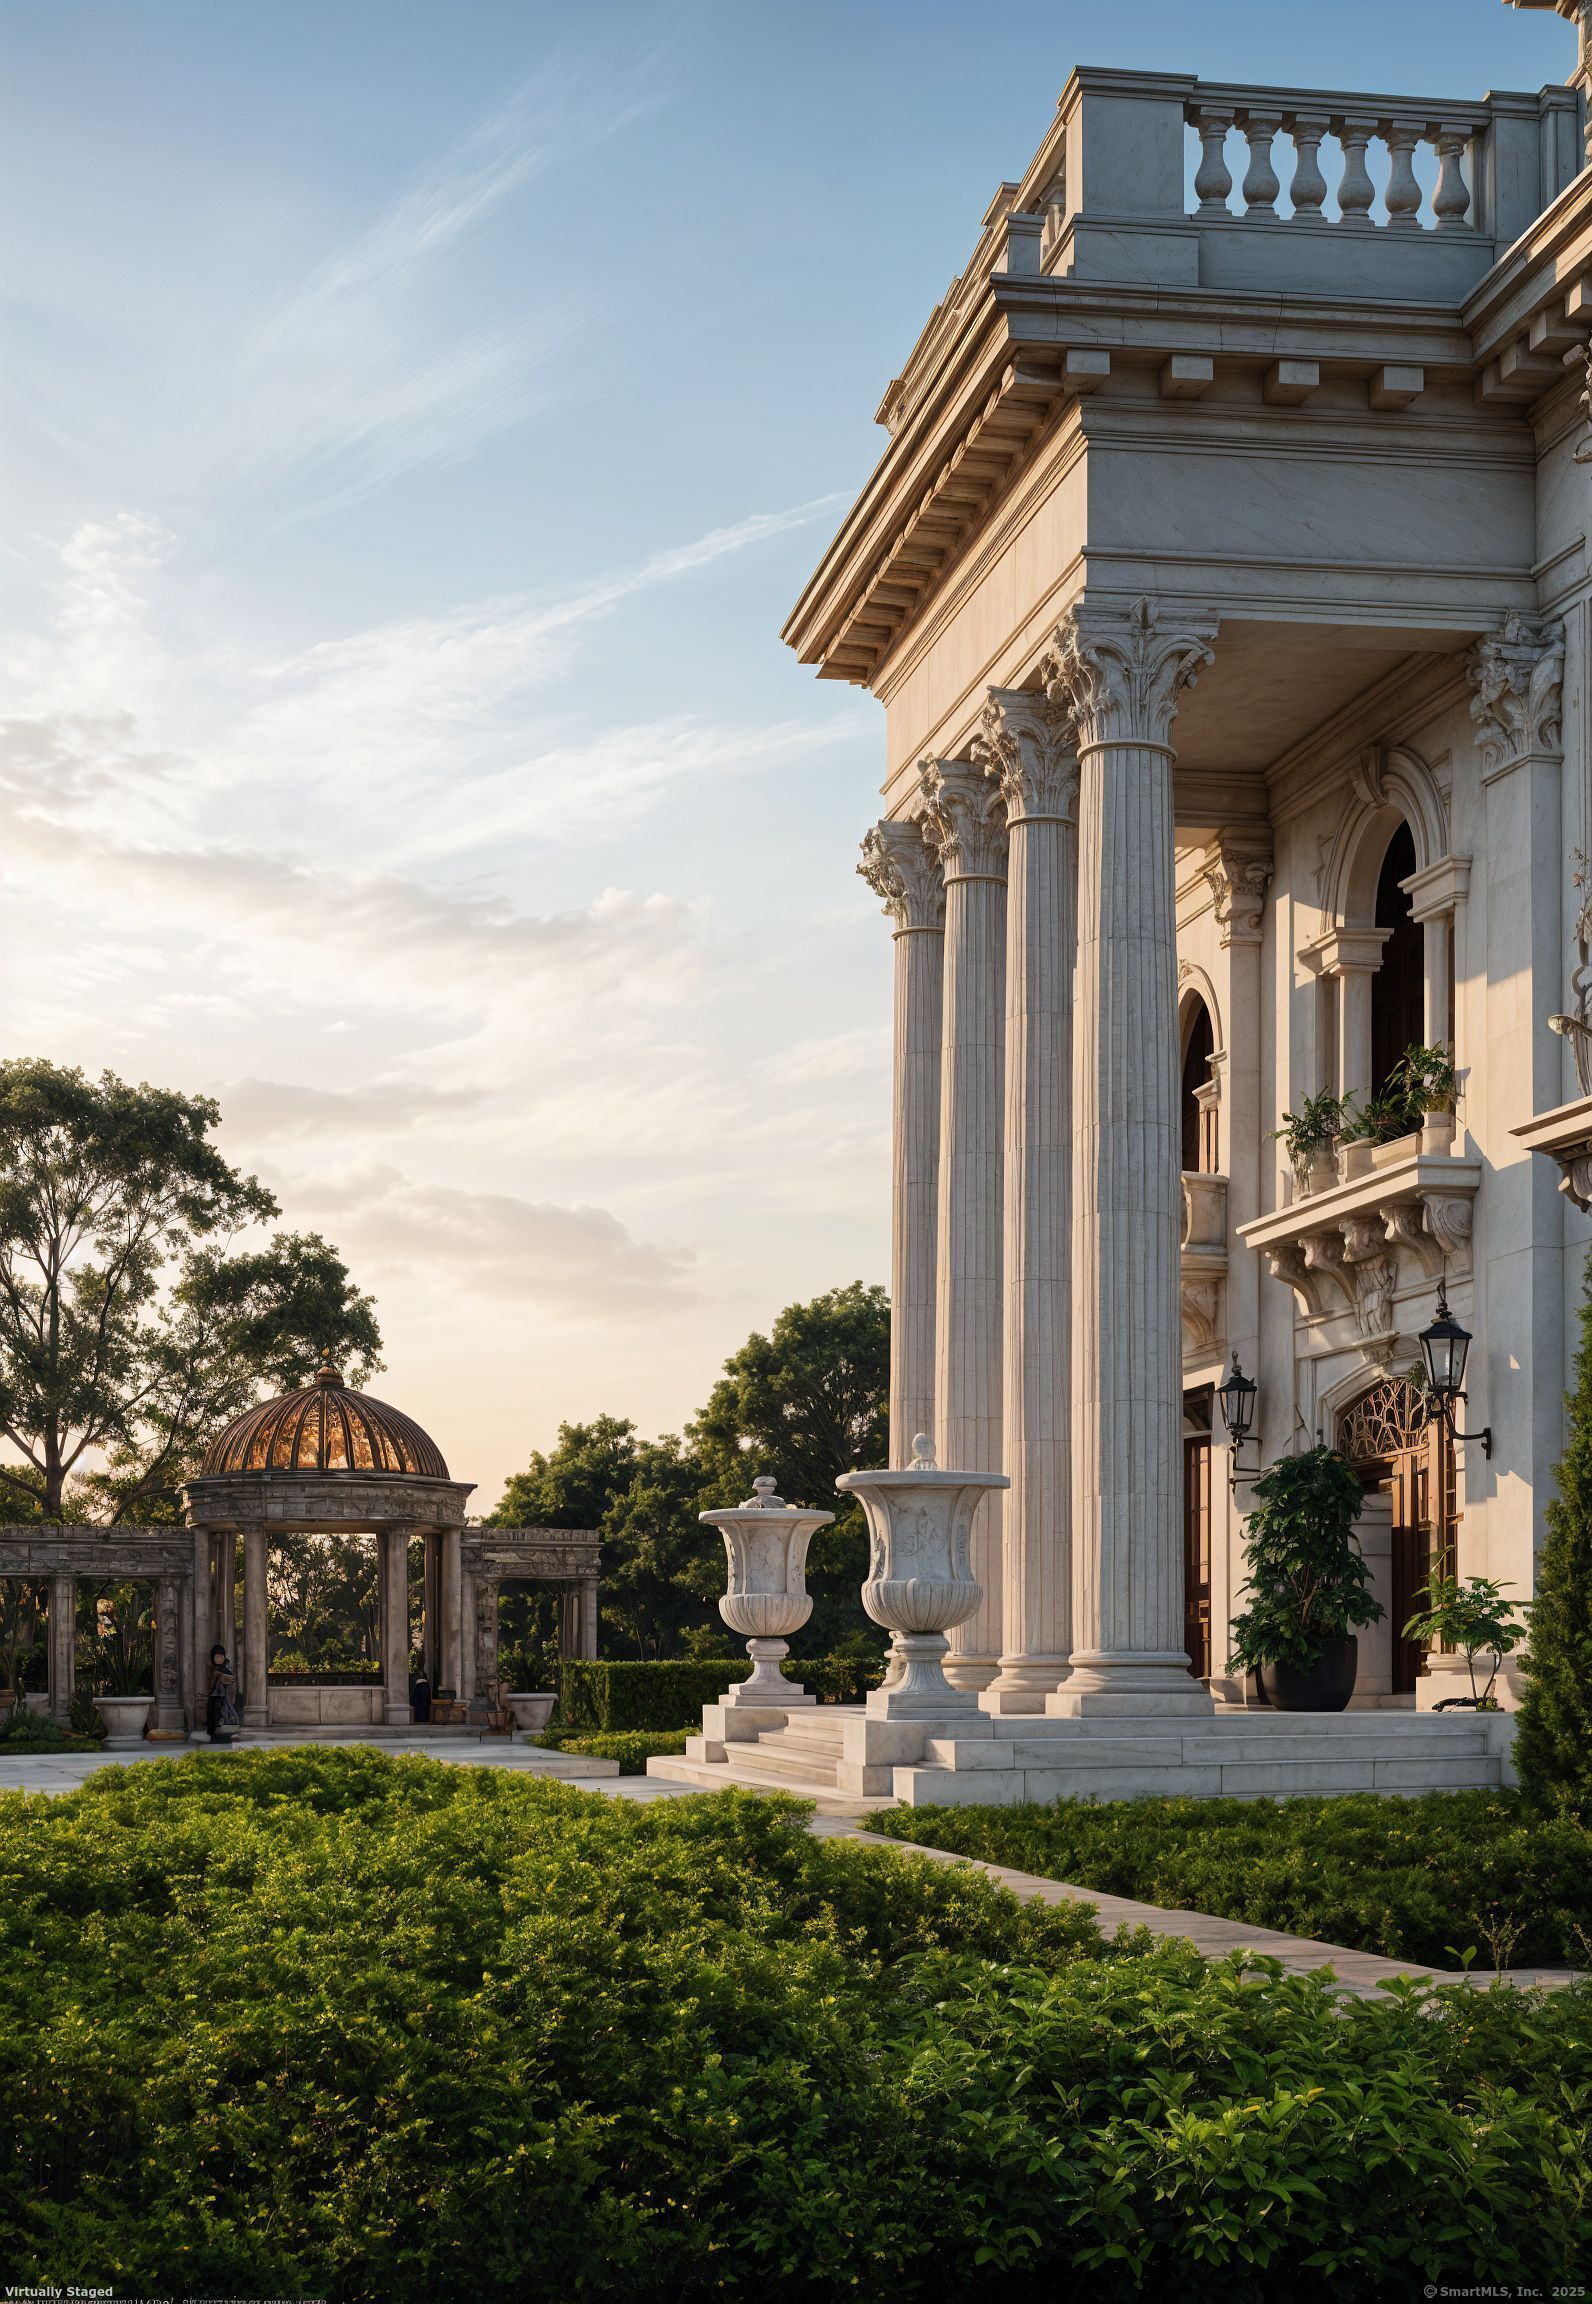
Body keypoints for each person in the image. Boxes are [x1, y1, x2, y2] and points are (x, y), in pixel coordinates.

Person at [206, 1643, 240, 1743]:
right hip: (214, 1697)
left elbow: (231, 1682)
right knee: (213, 1719)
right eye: (216, 1657)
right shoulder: (213, 1669)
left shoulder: (227, 1669)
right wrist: (215, 1676)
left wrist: (222, 1676)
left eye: (221, 1656)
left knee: (225, 1718)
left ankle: (224, 1737)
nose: (219, 1659)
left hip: (224, 1698)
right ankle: (214, 1737)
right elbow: (210, 1686)